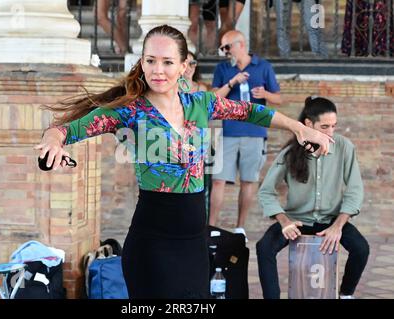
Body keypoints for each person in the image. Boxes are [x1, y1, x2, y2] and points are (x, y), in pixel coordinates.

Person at [35, 24, 332, 299]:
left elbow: (252, 112)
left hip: (194, 243)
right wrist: (52, 142)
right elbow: (66, 130)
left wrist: (300, 128)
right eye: (150, 61)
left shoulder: (201, 104)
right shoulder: (129, 111)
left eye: (167, 62)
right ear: (141, 63)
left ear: (183, 67)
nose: (157, 70)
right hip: (151, 243)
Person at [256, 96, 369, 299]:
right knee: (264, 248)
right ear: (308, 124)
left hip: (331, 220)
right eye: (325, 127)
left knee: (361, 248)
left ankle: (345, 295)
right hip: (297, 220)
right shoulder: (291, 152)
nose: (331, 132)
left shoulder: (344, 147)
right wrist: (284, 222)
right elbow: (266, 191)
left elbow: (355, 190)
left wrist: (338, 226)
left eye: (334, 126)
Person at [208, 30, 282, 240]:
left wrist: (265, 94)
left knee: (249, 181)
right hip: (229, 131)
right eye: (222, 48)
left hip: (255, 131)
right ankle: (211, 227)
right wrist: (232, 82)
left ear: (240, 45)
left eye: (226, 47)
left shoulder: (263, 66)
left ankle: (240, 227)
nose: (224, 52)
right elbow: (213, 99)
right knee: (218, 180)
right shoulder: (222, 68)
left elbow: (278, 99)